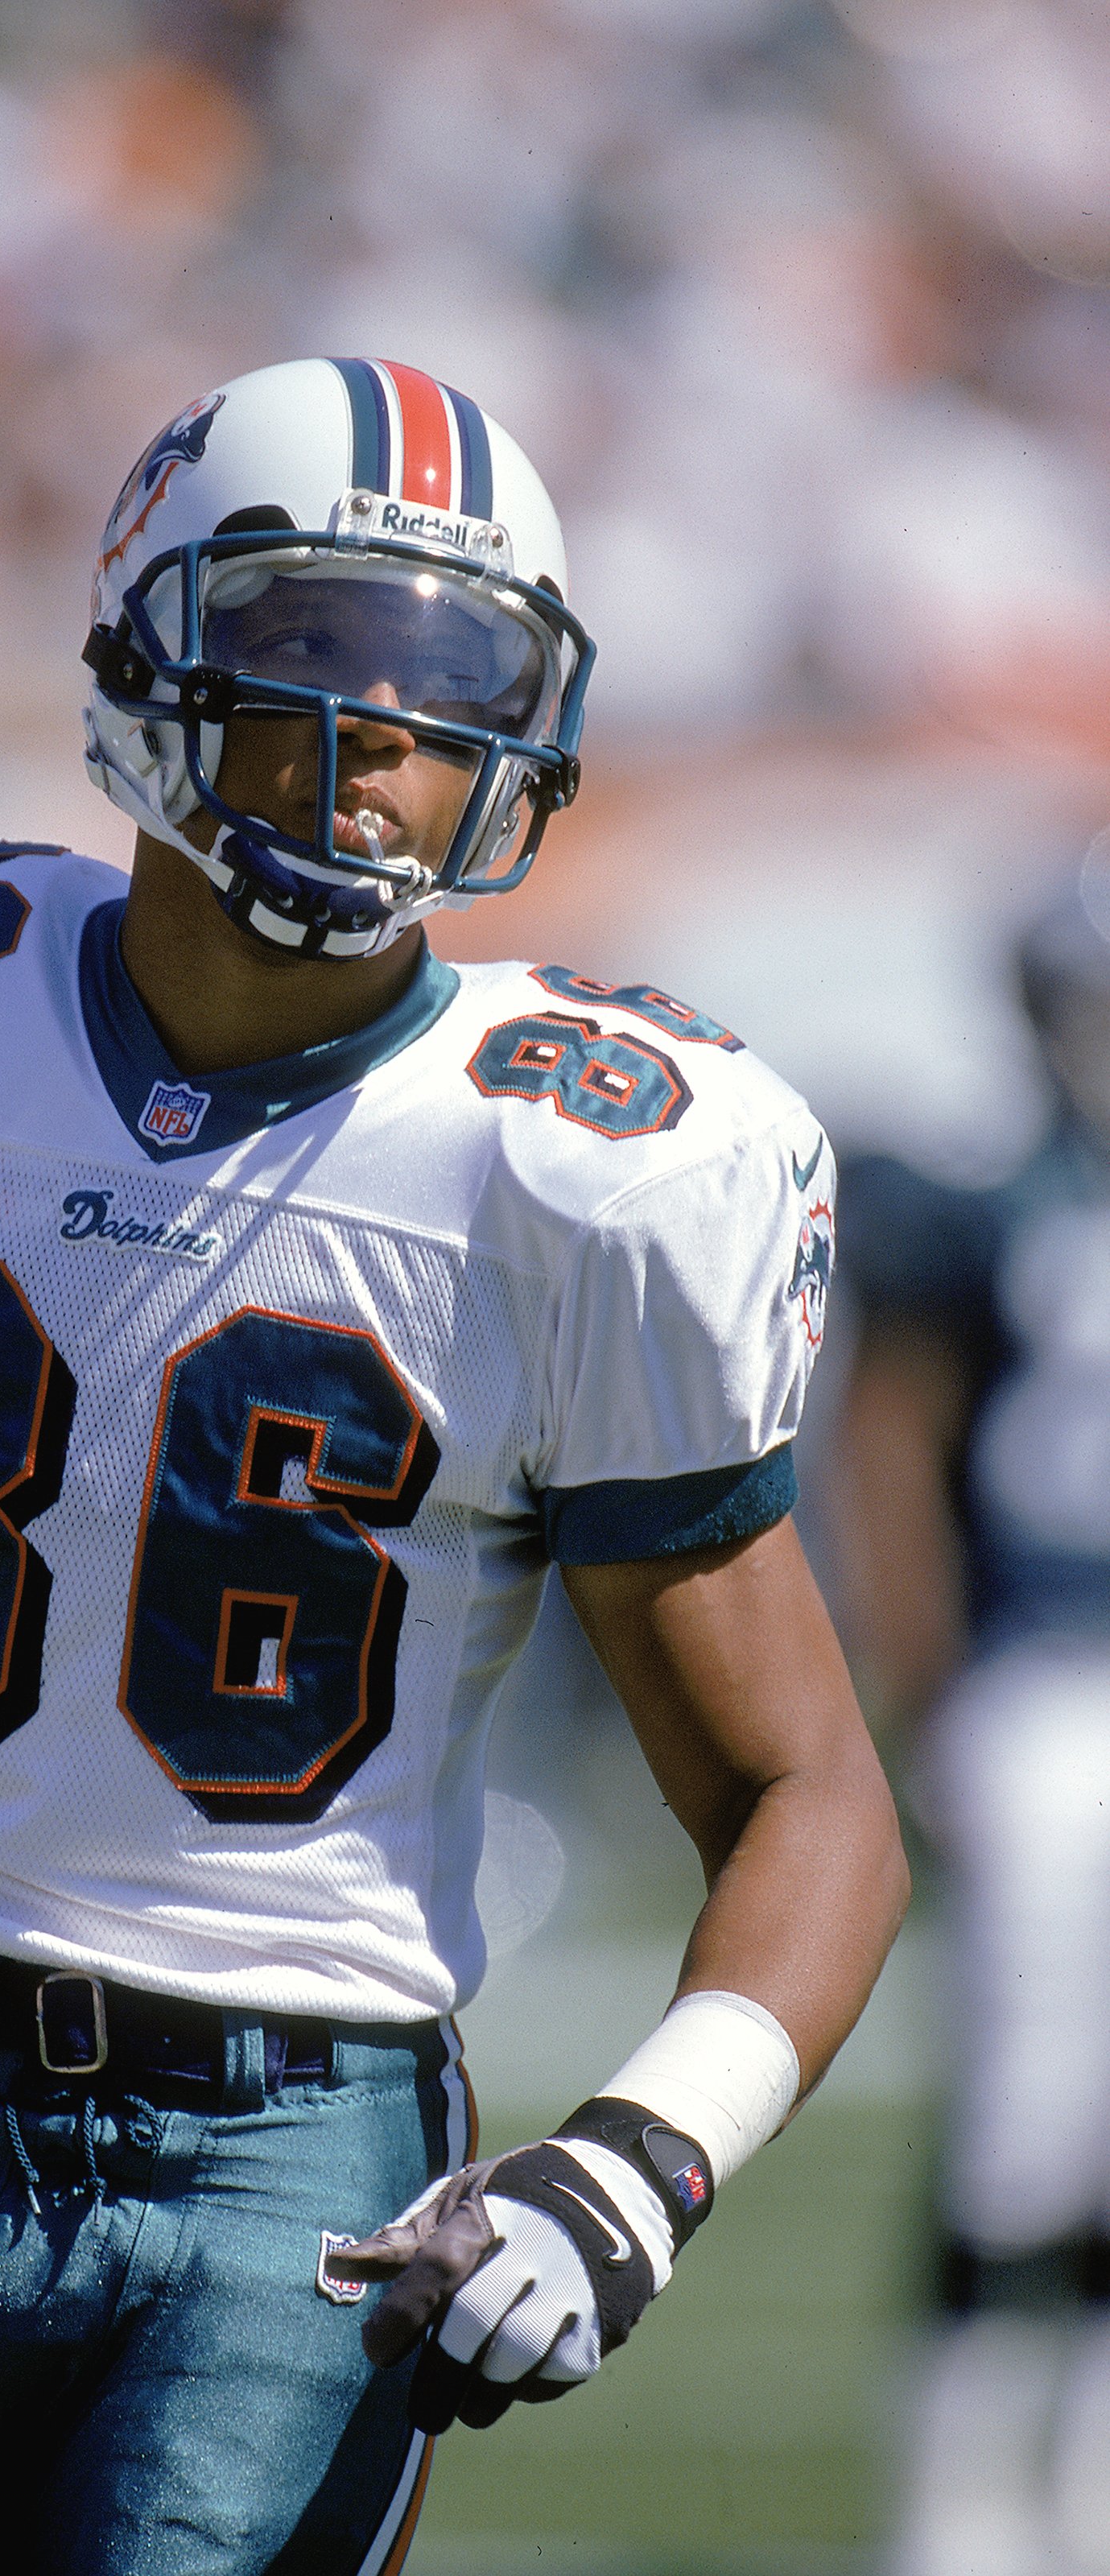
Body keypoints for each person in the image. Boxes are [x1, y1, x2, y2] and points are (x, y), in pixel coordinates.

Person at [0, 356, 907, 2576]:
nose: (389, 737)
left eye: (453, 678)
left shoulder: (591, 1170)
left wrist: (636, 2158)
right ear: (147, 641)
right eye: (320, 652)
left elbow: (800, 1794)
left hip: (290, 2175)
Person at [831, 855, 1110, 2576]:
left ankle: (1079, 2498)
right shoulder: (988, 1203)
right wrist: (920, 1689)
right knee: (1017, 2121)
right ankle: (953, 2503)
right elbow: (893, 1448)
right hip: (1035, 1688)